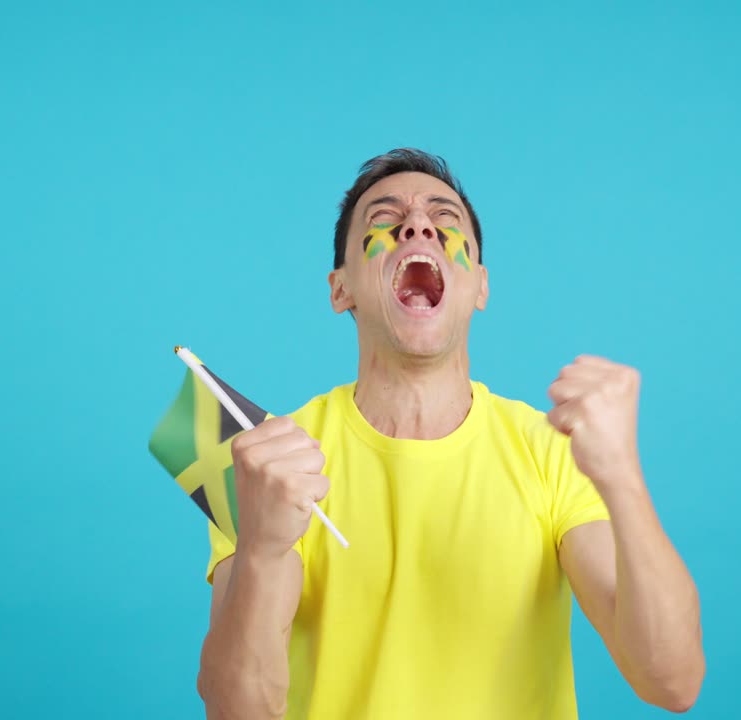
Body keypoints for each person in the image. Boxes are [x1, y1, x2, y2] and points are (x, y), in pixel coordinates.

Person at [197, 149, 705, 719]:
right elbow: (236, 712)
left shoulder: (551, 453)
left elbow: (672, 681)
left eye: (445, 219)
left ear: (480, 286)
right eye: (384, 221)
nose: (418, 225)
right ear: (341, 290)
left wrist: (622, 478)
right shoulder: (271, 465)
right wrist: (263, 549)